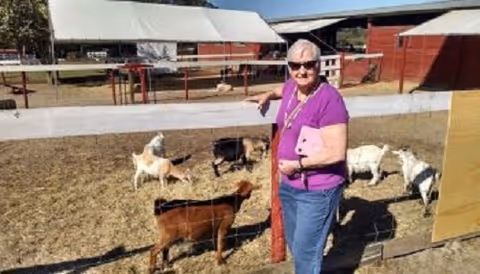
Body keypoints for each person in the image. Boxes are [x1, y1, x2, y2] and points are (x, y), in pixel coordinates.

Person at [244, 39, 349, 274]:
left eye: (309, 64)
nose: (302, 70)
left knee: (306, 251)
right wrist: (267, 94)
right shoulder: (292, 87)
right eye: (295, 65)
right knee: (296, 245)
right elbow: (281, 89)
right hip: (290, 184)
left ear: (319, 65)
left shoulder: (329, 99)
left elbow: (336, 152)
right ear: (289, 66)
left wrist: (298, 165)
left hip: (317, 189)